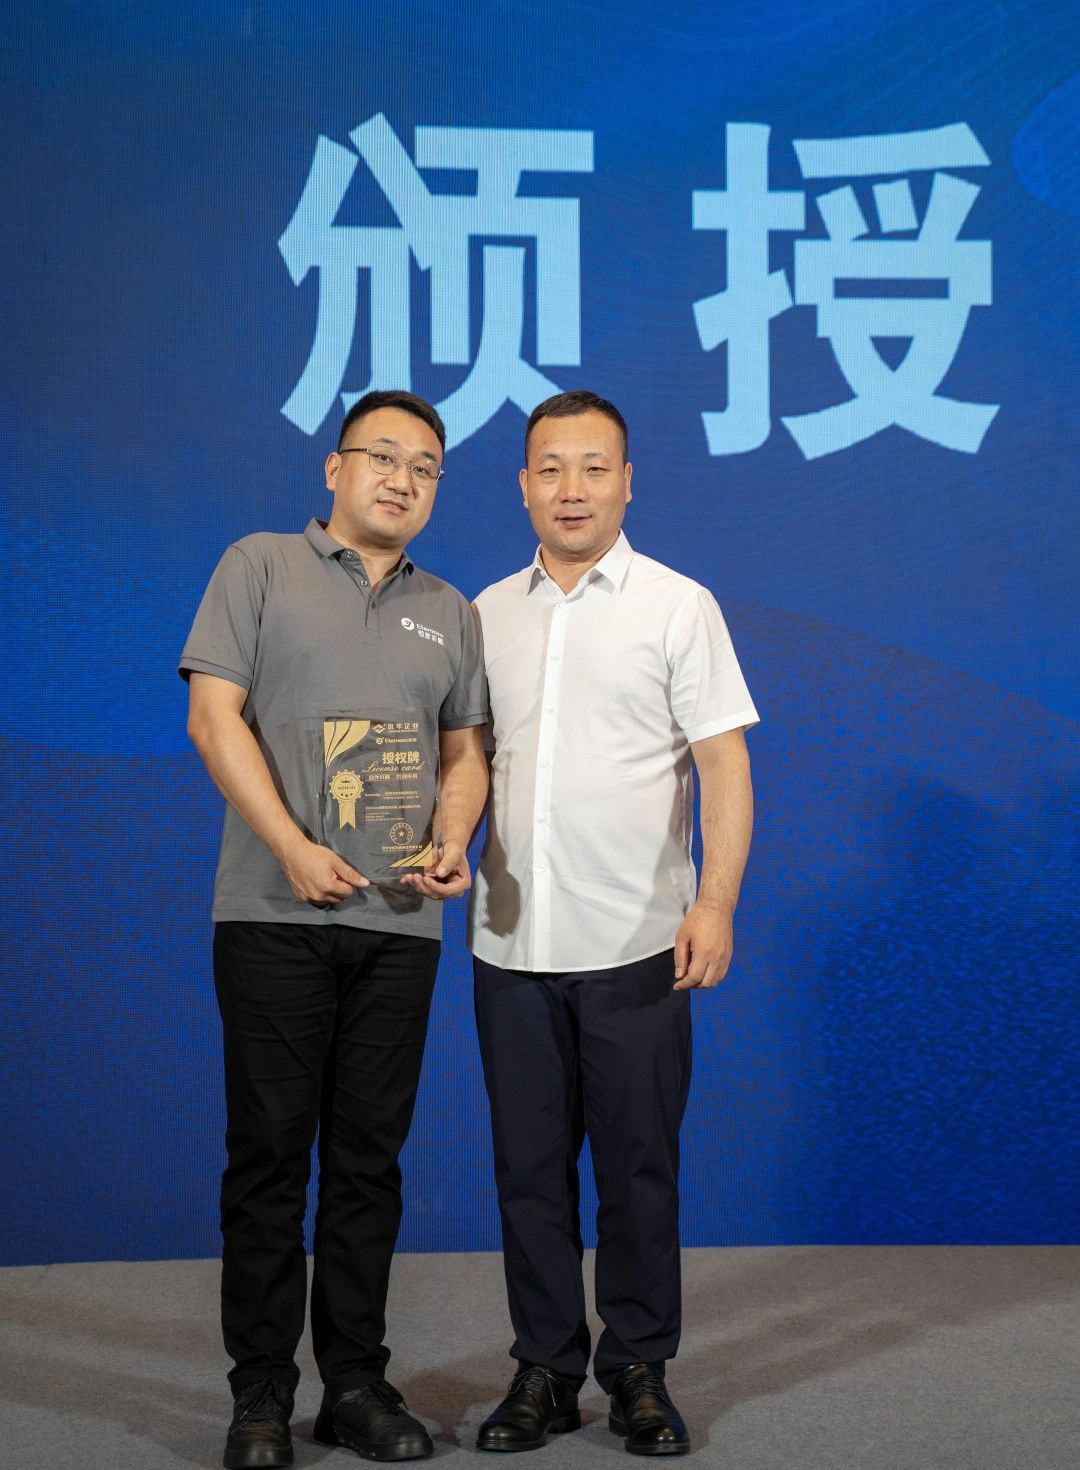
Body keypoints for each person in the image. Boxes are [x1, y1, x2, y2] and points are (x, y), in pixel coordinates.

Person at [180, 390, 489, 1469]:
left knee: (369, 1164)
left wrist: (454, 837)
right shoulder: (258, 565)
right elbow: (211, 716)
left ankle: (354, 1384)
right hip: (274, 912)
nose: (403, 480)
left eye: (425, 467)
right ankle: (261, 1394)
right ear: (335, 467)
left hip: (400, 926)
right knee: (269, 1157)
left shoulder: (449, 608)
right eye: (383, 456)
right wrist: (291, 846)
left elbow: (464, 750)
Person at [468, 390, 758, 1456]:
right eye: (551, 468)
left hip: (639, 942)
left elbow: (724, 764)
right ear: (523, 486)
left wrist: (714, 901)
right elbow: (468, 760)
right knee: (528, 1173)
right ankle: (544, 1370)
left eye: (595, 468)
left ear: (628, 482)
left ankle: (639, 1367)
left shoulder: (679, 605)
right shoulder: (484, 613)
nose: (573, 489)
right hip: (509, 942)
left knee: (639, 1171)